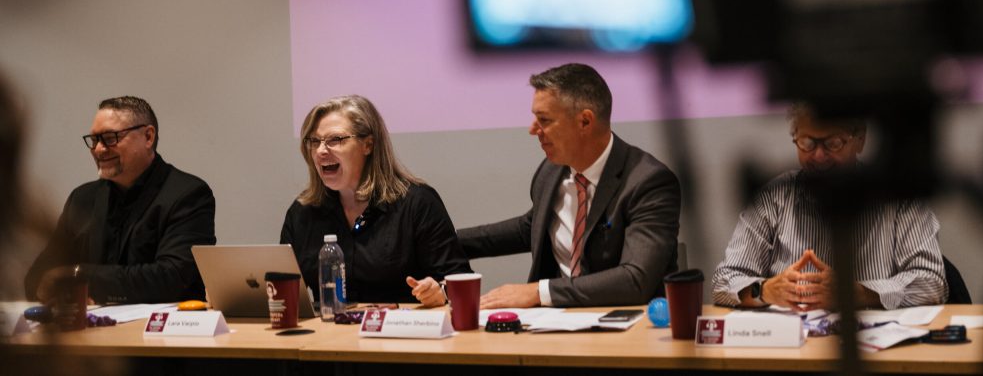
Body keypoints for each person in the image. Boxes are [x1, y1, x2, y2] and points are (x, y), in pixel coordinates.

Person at [458, 63, 682, 308]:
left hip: (627, 327)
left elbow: (635, 280)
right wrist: (444, 240)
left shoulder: (648, 182)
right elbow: (531, 228)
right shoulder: (551, 171)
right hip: (554, 325)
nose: (533, 130)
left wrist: (539, 292)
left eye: (544, 120)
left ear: (585, 121)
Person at [711, 103, 948, 310]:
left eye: (833, 143)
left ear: (860, 140)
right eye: (807, 143)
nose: (819, 156)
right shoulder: (773, 197)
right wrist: (764, 291)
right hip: (791, 349)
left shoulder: (899, 195)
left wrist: (855, 293)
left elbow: (931, 282)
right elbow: (725, 279)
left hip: (879, 351)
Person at [280, 95, 470, 307]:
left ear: (368, 145)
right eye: (314, 141)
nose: (321, 151)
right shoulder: (302, 212)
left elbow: (459, 281)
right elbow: (281, 289)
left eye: (335, 140)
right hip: (326, 336)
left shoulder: (416, 203)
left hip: (399, 334)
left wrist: (440, 291)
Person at [25, 96, 216, 304]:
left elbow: (172, 278)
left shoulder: (188, 194)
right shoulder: (82, 199)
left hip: (163, 331)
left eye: (110, 137)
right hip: (92, 330)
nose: (98, 149)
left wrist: (80, 277)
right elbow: (40, 276)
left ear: (148, 137)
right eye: (95, 140)